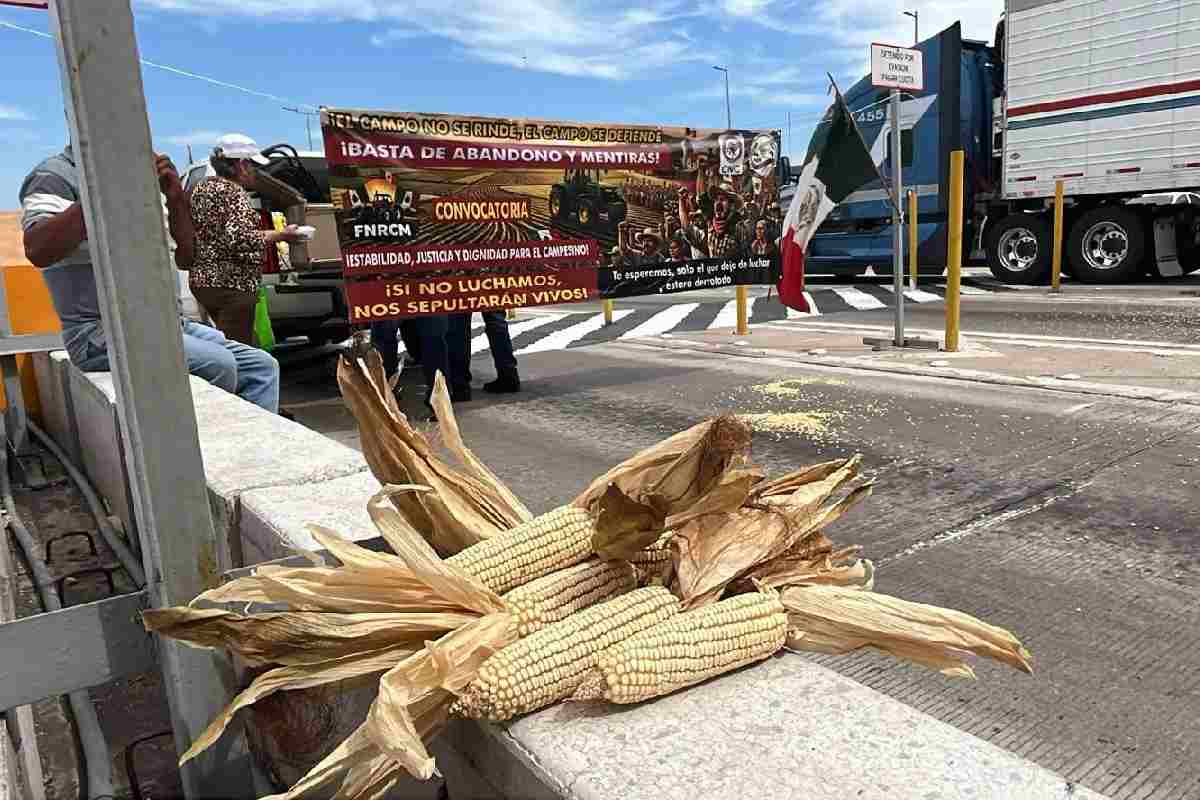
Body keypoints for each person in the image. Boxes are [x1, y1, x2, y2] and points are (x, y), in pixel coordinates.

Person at [19, 144, 281, 413]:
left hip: (167, 323)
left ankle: (249, 448)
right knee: (218, 364)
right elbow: (38, 249)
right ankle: (202, 452)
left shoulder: (141, 177)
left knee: (261, 367)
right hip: (101, 331)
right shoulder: (56, 175)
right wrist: (104, 184)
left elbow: (187, 256)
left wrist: (174, 196)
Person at [189, 133, 306, 345]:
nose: (255, 172)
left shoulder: (203, 188)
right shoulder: (234, 192)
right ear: (241, 165)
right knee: (241, 351)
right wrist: (283, 234)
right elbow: (240, 238)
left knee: (238, 342)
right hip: (232, 285)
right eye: (253, 166)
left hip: (205, 281)